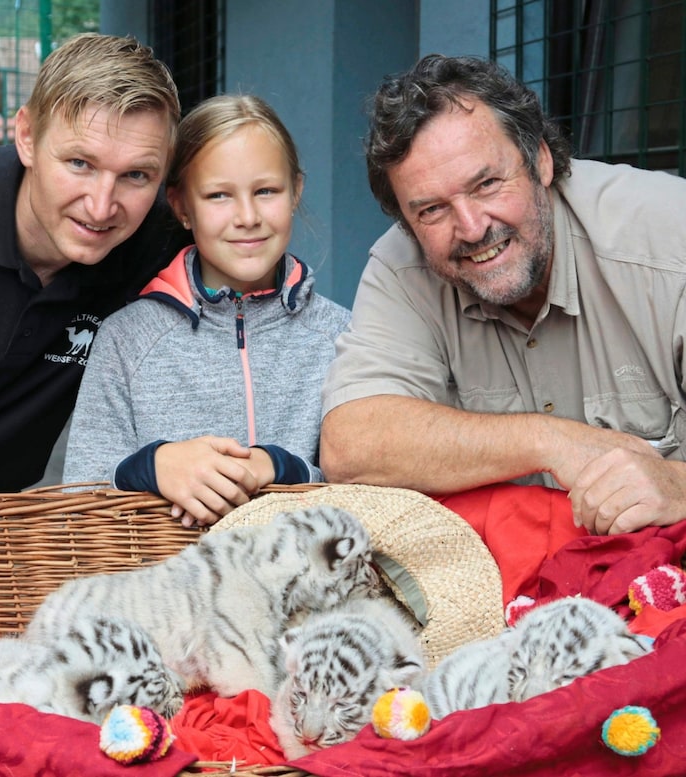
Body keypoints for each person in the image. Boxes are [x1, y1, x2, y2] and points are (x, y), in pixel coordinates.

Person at [320, 53, 686, 536]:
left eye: (487, 183)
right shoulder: (400, 268)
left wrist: (678, 486)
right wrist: (549, 441)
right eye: (431, 210)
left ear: (541, 160)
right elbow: (352, 445)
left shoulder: (668, 235)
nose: (472, 228)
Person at [0, 33, 190, 533]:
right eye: (79, 164)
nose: (101, 206)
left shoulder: (158, 241)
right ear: (26, 136)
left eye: (136, 175)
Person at [63, 94, 351, 526]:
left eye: (266, 191)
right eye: (219, 195)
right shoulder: (127, 339)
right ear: (181, 207)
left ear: (296, 191)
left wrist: (281, 468)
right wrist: (154, 466)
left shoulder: (343, 335)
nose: (248, 216)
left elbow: (372, 486)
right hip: (165, 587)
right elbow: (79, 497)